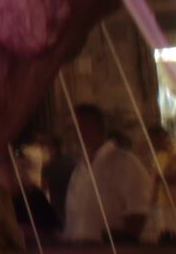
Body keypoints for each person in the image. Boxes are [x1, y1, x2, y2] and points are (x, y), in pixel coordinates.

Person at [62, 102, 153, 244]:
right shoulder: (79, 170)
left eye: (80, 126)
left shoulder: (125, 163)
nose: (75, 134)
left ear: (98, 127)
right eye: (71, 128)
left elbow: (138, 213)